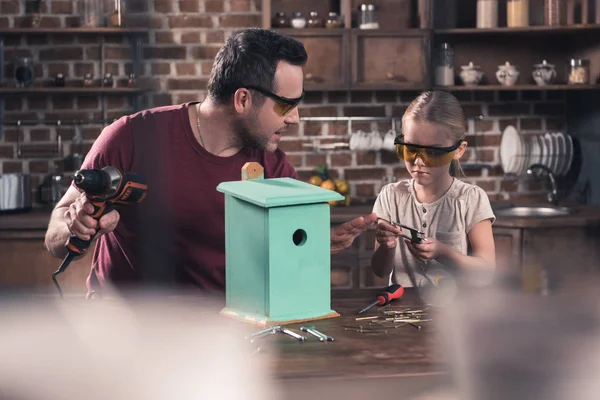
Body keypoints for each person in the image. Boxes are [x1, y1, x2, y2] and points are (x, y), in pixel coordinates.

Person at [44, 28, 377, 297]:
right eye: (285, 106)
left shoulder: (272, 166)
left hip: (215, 336)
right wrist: (75, 226)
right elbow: (55, 235)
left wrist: (315, 245)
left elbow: (284, 253)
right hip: (125, 333)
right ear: (243, 99)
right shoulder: (130, 136)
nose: (295, 119)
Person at [371, 90, 496, 290]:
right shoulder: (391, 196)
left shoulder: (471, 198)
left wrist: (443, 253)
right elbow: (380, 271)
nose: (419, 162)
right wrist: (387, 246)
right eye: (410, 149)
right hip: (401, 312)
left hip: (454, 314)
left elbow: (487, 272)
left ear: (458, 150)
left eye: (433, 152)